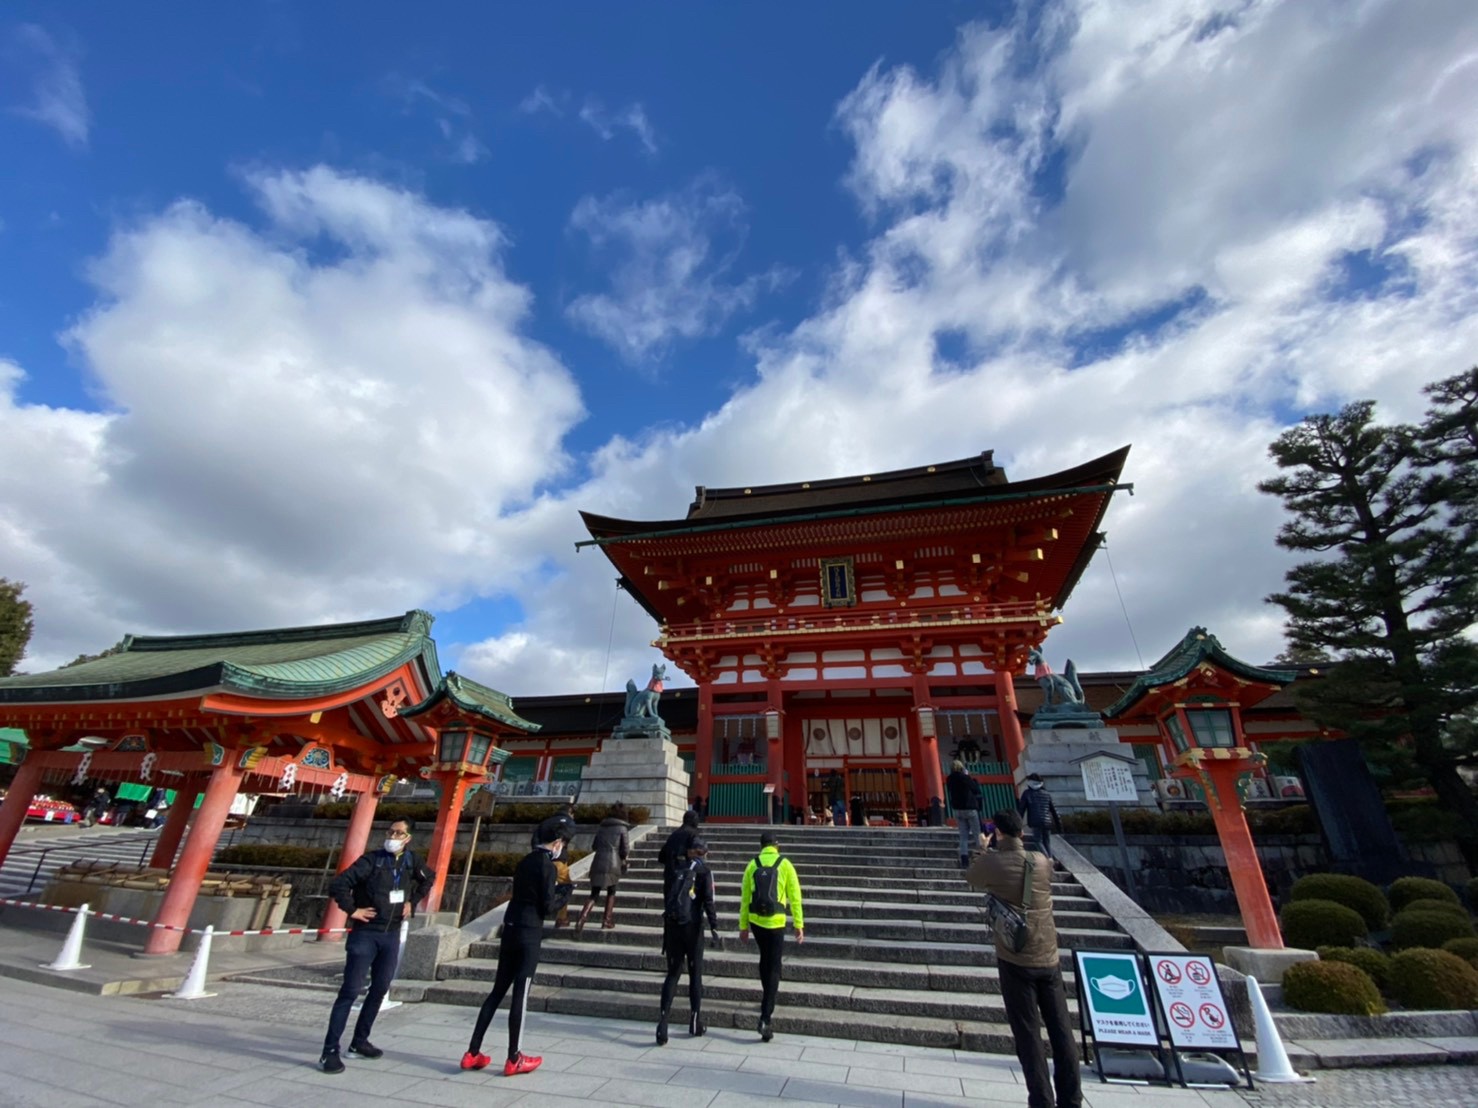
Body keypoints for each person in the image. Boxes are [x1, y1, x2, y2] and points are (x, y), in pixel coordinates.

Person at [966, 810, 1080, 1108]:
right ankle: (1072, 1099)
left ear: (999, 833)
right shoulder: (1041, 861)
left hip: (1015, 956)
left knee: (1028, 1032)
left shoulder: (994, 861)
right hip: (1048, 955)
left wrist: (982, 847)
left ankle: (1042, 1100)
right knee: (1061, 1028)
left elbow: (972, 876)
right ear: (1021, 832)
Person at [462, 813, 576, 1077]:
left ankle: (473, 1052)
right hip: (529, 932)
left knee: (497, 991)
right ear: (557, 842)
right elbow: (547, 906)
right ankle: (515, 1056)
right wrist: (565, 894)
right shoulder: (548, 867)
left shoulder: (524, 861)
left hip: (510, 928)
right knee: (520, 995)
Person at [319, 818, 434, 1074]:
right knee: (350, 990)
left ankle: (360, 1041)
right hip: (366, 933)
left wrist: (412, 902)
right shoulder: (371, 860)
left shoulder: (411, 861)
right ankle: (329, 1050)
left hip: (390, 934)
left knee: (380, 987)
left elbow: (428, 879)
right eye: (391, 831)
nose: (393, 836)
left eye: (399, 832)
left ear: (408, 838)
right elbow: (339, 884)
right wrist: (352, 910)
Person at [739, 831, 804, 1042]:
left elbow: (745, 898)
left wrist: (743, 926)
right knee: (774, 965)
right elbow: (795, 896)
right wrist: (798, 924)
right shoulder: (785, 864)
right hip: (776, 921)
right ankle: (766, 1016)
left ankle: (767, 998)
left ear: (761, 846)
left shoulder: (752, 864)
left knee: (764, 959)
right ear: (776, 846)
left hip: (757, 921)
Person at [656, 836, 720, 1045]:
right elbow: (708, 900)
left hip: (672, 924)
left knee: (673, 974)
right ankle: (694, 1020)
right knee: (695, 973)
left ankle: (663, 1022)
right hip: (692, 927)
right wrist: (714, 926)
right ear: (703, 852)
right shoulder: (704, 871)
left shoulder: (675, 868)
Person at [576, 803, 630, 933]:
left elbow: (594, 846)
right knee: (611, 891)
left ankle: (582, 917)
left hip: (598, 861)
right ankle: (607, 920)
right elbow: (625, 849)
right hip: (613, 862)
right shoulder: (622, 829)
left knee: (594, 892)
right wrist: (623, 859)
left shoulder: (602, 828)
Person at [946, 760, 984, 868]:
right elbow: (975, 789)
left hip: (958, 809)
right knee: (977, 834)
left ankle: (964, 859)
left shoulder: (949, 779)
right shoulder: (964, 778)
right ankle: (982, 856)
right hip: (969, 808)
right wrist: (967, 776)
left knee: (963, 835)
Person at [658, 809, 701, 899]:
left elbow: (661, 856)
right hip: (684, 871)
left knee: (670, 900)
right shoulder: (693, 834)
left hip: (669, 870)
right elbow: (696, 852)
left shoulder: (674, 834)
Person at [1017, 774, 1062, 857]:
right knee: (1047, 842)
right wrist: (1059, 826)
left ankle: (1048, 859)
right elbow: (1054, 811)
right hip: (1047, 822)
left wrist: (1018, 825)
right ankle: (1050, 858)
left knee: (1038, 841)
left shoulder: (1027, 793)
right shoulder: (1047, 794)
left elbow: (1021, 810)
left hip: (1035, 821)